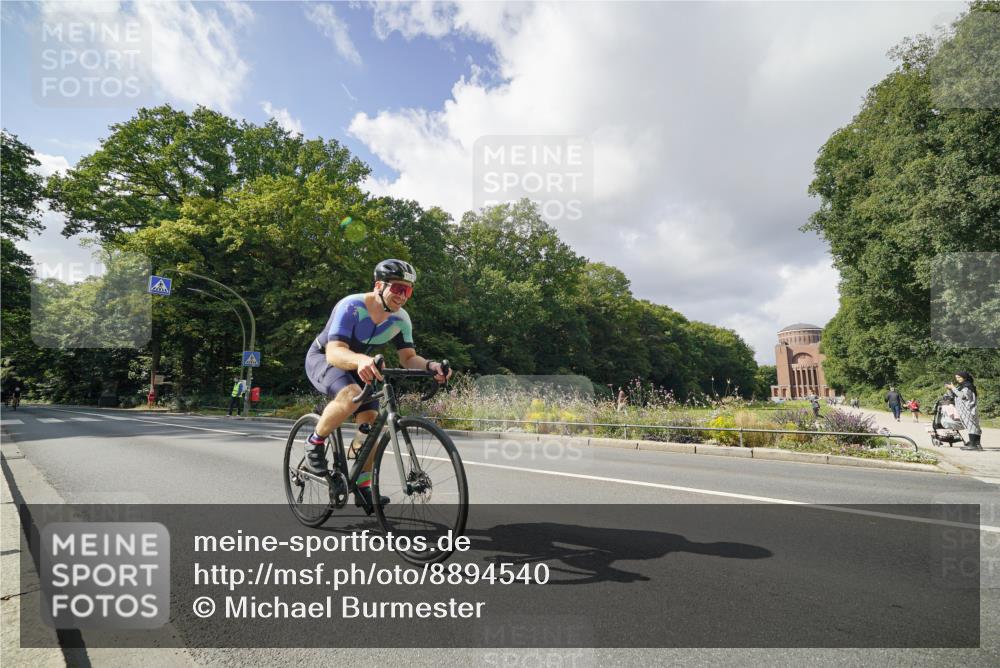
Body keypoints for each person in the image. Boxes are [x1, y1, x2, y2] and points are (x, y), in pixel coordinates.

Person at [303, 259, 450, 508]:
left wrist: (430, 366)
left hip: (362, 364)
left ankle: (361, 485)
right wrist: (361, 360)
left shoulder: (401, 319)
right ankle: (314, 442)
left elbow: (408, 358)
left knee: (372, 421)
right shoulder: (351, 306)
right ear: (379, 285)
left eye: (408, 291)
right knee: (350, 395)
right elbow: (335, 352)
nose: (403, 296)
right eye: (397, 289)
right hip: (326, 359)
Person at [946, 371, 983, 451]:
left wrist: (953, 387)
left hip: (968, 409)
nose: (958, 379)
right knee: (973, 426)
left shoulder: (968, 386)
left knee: (971, 426)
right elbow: (952, 396)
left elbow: (962, 396)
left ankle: (973, 445)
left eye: (959, 377)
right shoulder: (961, 386)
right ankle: (976, 444)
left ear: (965, 377)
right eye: (956, 378)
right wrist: (949, 389)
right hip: (964, 409)